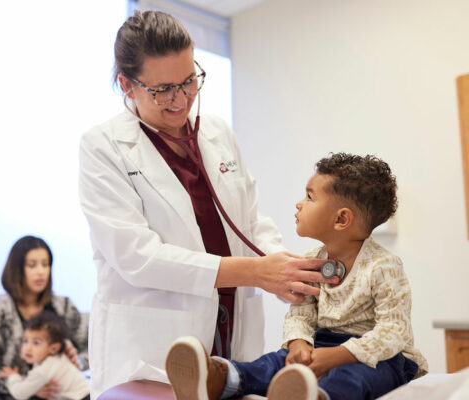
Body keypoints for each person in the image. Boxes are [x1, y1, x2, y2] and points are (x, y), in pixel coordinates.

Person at [78, 10, 337, 398]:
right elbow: (137, 257)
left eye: (188, 81)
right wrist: (256, 272)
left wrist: (287, 270)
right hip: (149, 348)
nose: (181, 99)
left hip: (230, 327)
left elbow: (250, 221)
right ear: (126, 85)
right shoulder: (103, 147)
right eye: (162, 90)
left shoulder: (216, 132)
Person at [165, 153, 429, 400]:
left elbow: (393, 332)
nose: (299, 203)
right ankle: (218, 377)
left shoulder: (384, 266)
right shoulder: (313, 259)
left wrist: (337, 356)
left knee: (351, 378)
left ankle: (316, 395)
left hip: (380, 357)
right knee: (273, 363)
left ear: (341, 219)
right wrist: (298, 344)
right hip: (322, 345)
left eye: (310, 197)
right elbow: (300, 314)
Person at [0, 235, 89, 399]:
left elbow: (90, 352)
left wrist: (76, 361)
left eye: (46, 264)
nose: (41, 271)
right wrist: (29, 387)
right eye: (32, 265)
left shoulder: (64, 307)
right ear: (17, 269)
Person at [0, 311, 90, 400]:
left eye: (36, 343)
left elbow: (20, 394)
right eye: (25, 341)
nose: (28, 348)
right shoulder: (59, 355)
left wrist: (13, 376)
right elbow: (65, 342)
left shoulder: (42, 371)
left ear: (53, 348)